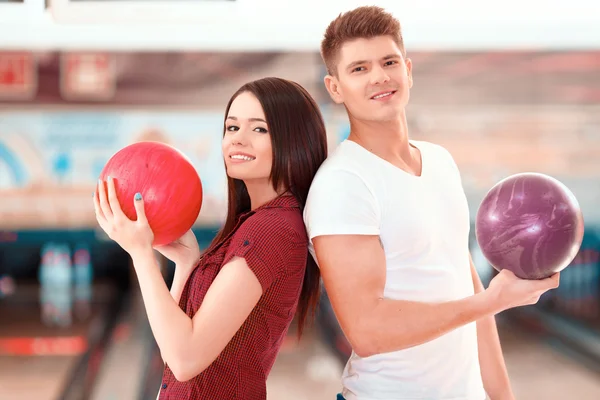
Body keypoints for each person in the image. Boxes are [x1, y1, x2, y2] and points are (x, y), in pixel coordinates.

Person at [303, 6, 560, 400]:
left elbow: (466, 282)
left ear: (407, 70)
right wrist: (489, 301)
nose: (379, 76)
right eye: (359, 69)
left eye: (388, 62)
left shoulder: (439, 160)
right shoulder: (342, 183)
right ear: (335, 87)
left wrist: (501, 394)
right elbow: (367, 330)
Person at [93, 77, 328, 400]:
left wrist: (142, 256)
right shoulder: (252, 223)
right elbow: (174, 353)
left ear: (294, 141)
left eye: (258, 129)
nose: (238, 140)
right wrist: (187, 263)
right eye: (232, 128)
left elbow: (185, 359)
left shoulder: (272, 230)